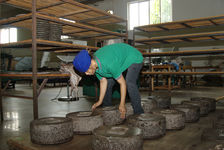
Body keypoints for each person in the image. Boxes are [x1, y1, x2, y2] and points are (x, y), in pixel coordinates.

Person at [73, 43, 144, 118]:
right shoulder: (95, 66)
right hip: (117, 59)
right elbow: (103, 81)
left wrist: (122, 104)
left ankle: (138, 112)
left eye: (86, 71)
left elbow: (122, 83)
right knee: (108, 83)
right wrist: (99, 101)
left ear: (91, 63)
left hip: (134, 57)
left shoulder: (109, 64)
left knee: (129, 82)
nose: (87, 74)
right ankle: (107, 110)